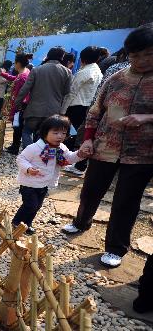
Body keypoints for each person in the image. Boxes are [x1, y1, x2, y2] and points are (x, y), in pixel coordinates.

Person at [62, 23, 153, 268]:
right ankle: (81, 222)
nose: (142, 60)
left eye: (148, 54)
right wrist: (89, 138)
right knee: (91, 190)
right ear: (128, 54)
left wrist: (147, 117)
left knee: (126, 200)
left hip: (142, 153)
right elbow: (95, 111)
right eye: (136, 55)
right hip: (105, 146)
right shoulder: (116, 79)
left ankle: (116, 247)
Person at [13, 115, 86, 235]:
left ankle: (27, 224)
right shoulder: (35, 148)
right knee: (30, 205)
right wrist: (28, 168)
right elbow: (21, 158)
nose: (60, 136)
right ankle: (17, 222)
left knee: (37, 206)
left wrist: (80, 154)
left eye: (63, 133)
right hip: (29, 183)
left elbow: (70, 158)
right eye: (55, 132)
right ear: (45, 132)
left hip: (44, 184)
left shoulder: (61, 148)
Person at [15, 47, 73, 148]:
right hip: (53, 112)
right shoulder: (67, 72)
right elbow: (67, 93)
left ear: (48, 55)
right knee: (44, 136)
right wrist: (62, 111)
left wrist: (18, 104)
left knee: (27, 131)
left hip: (34, 110)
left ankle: (29, 154)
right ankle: (40, 157)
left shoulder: (37, 70)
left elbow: (25, 89)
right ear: (62, 57)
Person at [61, 46, 103, 175]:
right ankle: (76, 162)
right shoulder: (98, 71)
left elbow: (71, 93)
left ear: (82, 58)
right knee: (78, 135)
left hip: (76, 106)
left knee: (68, 134)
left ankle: (64, 160)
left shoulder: (84, 72)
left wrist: (62, 111)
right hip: (87, 106)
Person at [0, 53, 33, 154]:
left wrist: (12, 113)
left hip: (20, 106)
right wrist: (3, 74)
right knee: (17, 127)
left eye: (15, 63)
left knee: (17, 127)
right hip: (23, 105)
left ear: (18, 63)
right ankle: (15, 145)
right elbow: (14, 78)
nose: (14, 65)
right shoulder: (25, 72)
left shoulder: (22, 77)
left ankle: (15, 148)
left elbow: (18, 96)